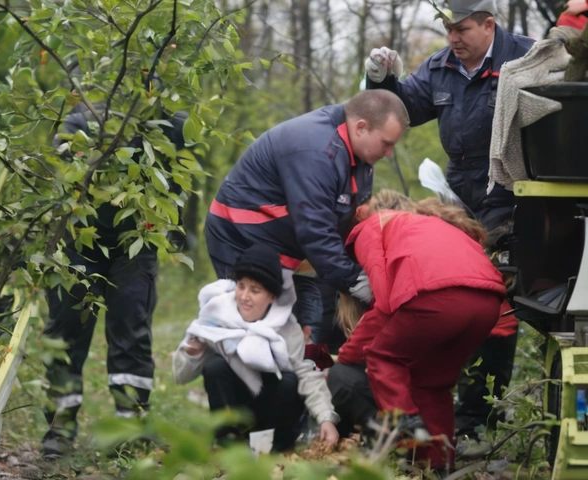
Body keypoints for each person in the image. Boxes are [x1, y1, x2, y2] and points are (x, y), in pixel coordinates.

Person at [363, 0, 534, 437]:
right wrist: (381, 80)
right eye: (448, 30)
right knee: (453, 287)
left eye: (462, 30)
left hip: (513, 189)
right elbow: (400, 111)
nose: (453, 39)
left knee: (495, 299)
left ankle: (481, 412)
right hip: (459, 191)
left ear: (488, 24)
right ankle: (450, 398)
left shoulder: (524, 58)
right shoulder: (440, 67)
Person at [41, 103, 189, 458]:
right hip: (79, 241)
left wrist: (169, 223)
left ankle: (131, 429)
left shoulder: (172, 124)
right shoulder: (79, 119)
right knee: (66, 332)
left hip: (134, 244)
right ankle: (59, 429)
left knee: (131, 333)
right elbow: (58, 180)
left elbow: (179, 181)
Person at [204, 90, 410, 343]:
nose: (389, 153)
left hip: (286, 244)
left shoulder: (359, 153)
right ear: (361, 127)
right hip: (240, 234)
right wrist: (356, 281)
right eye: (386, 143)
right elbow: (316, 230)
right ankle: (235, 372)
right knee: (253, 325)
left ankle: (295, 371)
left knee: (300, 323)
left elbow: (348, 220)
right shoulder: (318, 151)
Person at [327, 189, 506, 469]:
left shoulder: (368, 230)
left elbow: (384, 304)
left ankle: (404, 419)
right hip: (488, 303)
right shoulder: (428, 225)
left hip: (439, 296)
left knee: (382, 357)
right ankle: (436, 466)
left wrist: (348, 356)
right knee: (431, 385)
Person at [172, 244, 340, 451]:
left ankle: (273, 445)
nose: (244, 296)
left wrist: (326, 418)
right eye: (241, 286)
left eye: (255, 290)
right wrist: (192, 353)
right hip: (236, 404)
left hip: (274, 409)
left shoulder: (289, 328)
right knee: (215, 367)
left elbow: (311, 374)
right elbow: (180, 376)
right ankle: (229, 442)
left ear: (271, 297)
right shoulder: (216, 316)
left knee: (290, 380)